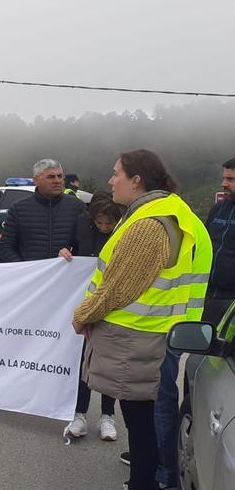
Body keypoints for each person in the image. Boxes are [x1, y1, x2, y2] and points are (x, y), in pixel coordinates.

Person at [70, 149, 211, 490]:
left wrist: (82, 315)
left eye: (115, 173)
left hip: (138, 335)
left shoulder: (150, 224)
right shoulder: (171, 211)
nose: (110, 180)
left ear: (136, 181)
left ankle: (146, 481)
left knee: (140, 419)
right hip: (158, 332)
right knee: (145, 415)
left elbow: (118, 287)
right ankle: (151, 476)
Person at [59, 191, 124, 442]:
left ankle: (107, 416)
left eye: (109, 224)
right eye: (100, 223)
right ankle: (79, 414)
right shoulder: (80, 224)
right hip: (85, 301)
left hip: (114, 305)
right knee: (83, 361)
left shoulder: (126, 230)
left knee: (108, 362)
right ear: (91, 219)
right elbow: (67, 245)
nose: (105, 228)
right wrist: (64, 252)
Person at [0, 159, 85, 262]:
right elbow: (6, 246)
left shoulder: (77, 206)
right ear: (36, 180)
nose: (57, 181)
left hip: (65, 273)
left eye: (60, 176)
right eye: (51, 177)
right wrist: (23, 268)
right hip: (31, 274)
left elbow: (85, 244)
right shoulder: (18, 209)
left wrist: (72, 257)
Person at [203, 157, 235, 324]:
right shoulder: (218, 209)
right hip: (209, 297)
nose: (224, 184)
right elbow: (204, 247)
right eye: (223, 178)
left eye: (230, 179)